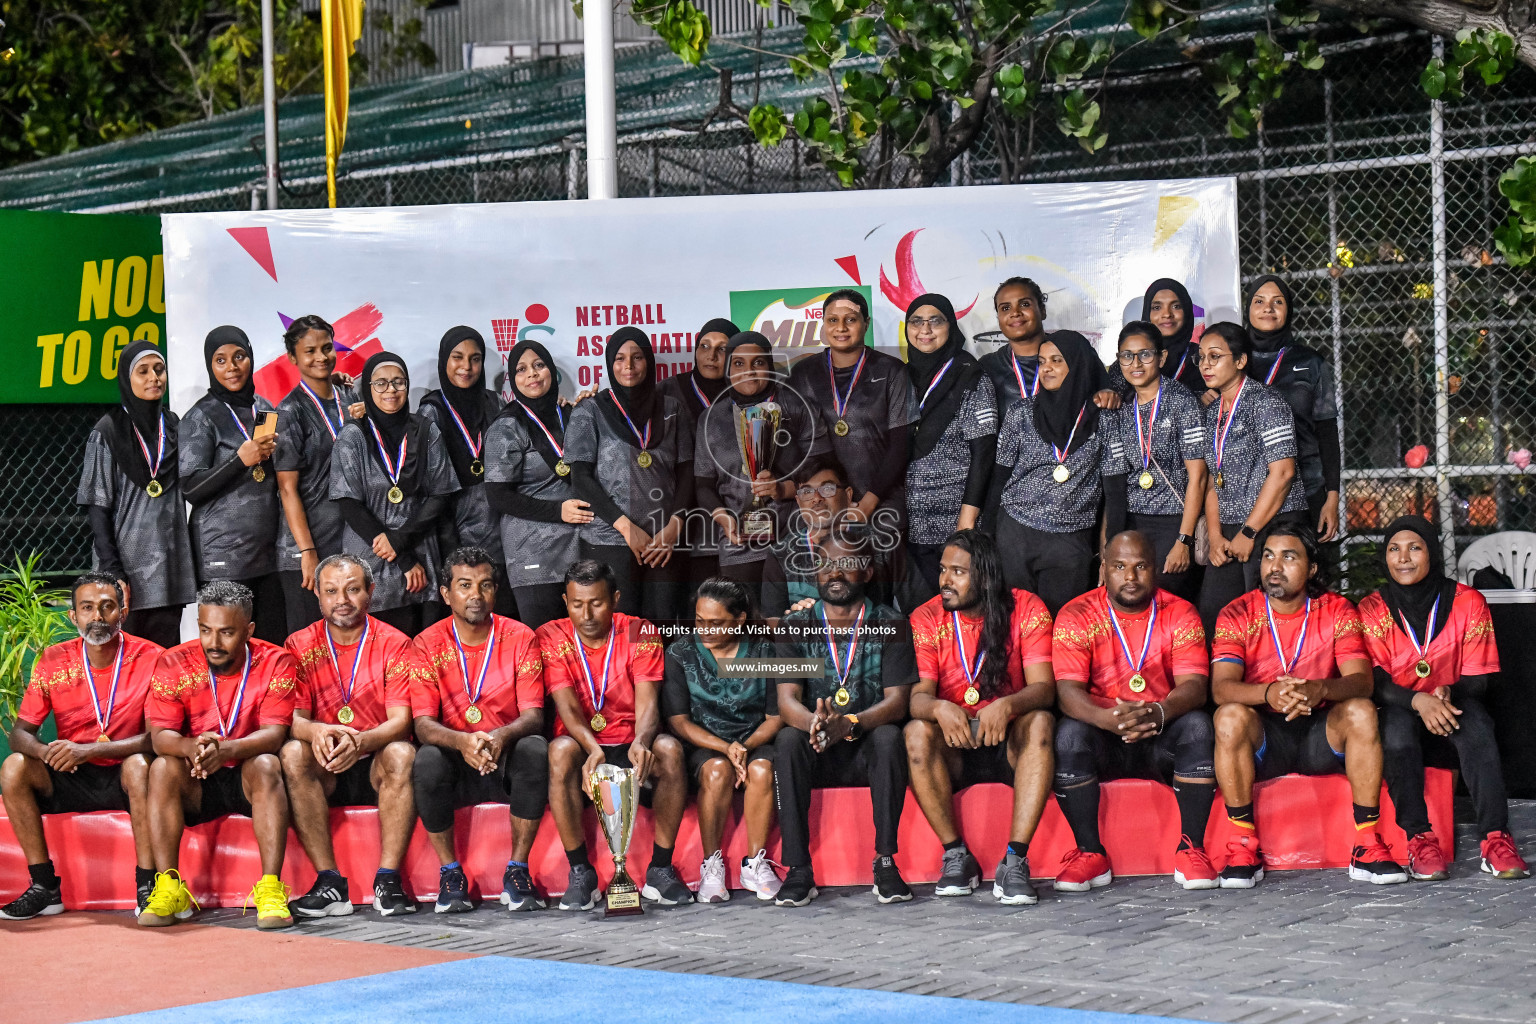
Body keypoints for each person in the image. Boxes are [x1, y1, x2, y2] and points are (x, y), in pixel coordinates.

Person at [1210, 523, 1406, 888]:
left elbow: (1362, 681)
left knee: (1362, 711)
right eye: (1268, 556)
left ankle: (1366, 845)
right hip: (1265, 737)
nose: (1274, 566)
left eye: (1288, 556)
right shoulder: (1237, 613)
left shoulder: (1336, 610)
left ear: (1312, 568)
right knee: (1229, 716)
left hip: (1321, 734)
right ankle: (1242, 846)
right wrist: (1269, 694)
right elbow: (1222, 689)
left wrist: (1319, 690)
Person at [1360, 516, 1529, 881]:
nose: (1403, 558)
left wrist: (1448, 692)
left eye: (1414, 548)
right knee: (1397, 734)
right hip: (1401, 705)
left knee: (1478, 727)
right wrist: (1418, 701)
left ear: (1432, 553)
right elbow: (1373, 678)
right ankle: (1420, 839)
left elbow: (1480, 678)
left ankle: (1495, 838)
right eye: (1394, 549)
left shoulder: (1468, 601)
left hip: (1452, 700)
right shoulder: (1373, 608)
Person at [1050, 531, 1219, 893]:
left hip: (1161, 736)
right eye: (1120, 567)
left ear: (1155, 570)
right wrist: (1107, 719)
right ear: (1104, 569)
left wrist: (1160, 712)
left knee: (1199, 727)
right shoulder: (1077, 613)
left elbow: (1195, 686)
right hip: (1104, 738)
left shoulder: (1180, 612)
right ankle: (1089, 853)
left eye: (1140, 566)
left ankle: (1192, 849)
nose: (1130, 577)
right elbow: (1067, 693)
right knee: (1068, 733)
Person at [903, 530, 1056, 905]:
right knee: (916, 732)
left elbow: (1044, 689)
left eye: (958, 572)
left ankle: (1015, 860)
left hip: (1008, 744)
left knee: (1040, 721)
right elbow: (917, 697)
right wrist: (939, 707)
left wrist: (1007, 705)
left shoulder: (1028, 607)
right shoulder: (925, 617)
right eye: (942, 570)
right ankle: (955, 855)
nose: (945, 581)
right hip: (954, 748)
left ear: (985, 576)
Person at [139, 581, 299, 929]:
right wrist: (192, 746)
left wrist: (227, 749)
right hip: (196, 778)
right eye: (205, 630)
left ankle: (270, 891)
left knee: (268, 763)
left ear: (249, 629)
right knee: (163, 767)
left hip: (247, 776)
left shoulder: (276, 661)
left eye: (226, 632)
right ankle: (168, 885)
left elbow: (275, 734)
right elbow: (160, 737)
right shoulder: (173, 661)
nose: (213, 642)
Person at [0, 574, 161, 920]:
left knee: (141, 765)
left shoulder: (152, 657)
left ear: (123, 611)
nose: (97, 617)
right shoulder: (54, 660)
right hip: (70, 773)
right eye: (87, 608)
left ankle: (148, 885)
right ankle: (44, 887)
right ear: (73, 617)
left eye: (107, 607)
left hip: (125, 774)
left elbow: (156, 738)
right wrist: (46, 753)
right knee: (13, 766)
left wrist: (89, 751)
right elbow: (19, 734)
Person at [772, 527, 916, 907]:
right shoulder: (793, 627)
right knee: (787, 741)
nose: (834, 573)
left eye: (846, 564)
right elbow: (787, 701)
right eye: (825, 564)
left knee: (888, 737)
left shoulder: (892, 622)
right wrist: (815, 725)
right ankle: (798, 869)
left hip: (865, 748)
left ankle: (885, 863)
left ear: (867, 571)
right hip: (816, 748)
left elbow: (898, 702)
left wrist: (850, 724)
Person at [539, 560, 693, 910]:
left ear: (616, 598)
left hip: (629, 739)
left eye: (597, 603)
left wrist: (642, 740)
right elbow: (567, 707)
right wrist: (591, 748)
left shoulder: (640, 630)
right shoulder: (552, 635)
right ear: (565, 602)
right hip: (583, 744)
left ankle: (661, 869)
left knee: (669, 749)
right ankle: (581, 871)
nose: (587, 613)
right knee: (559, 751)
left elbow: (648, 703)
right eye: (577, 604)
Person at [280, 554, 423, 918]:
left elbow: (401, 721)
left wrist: (360, 741)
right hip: (324, 764)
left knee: (403, 753)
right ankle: (330, 884)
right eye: (331, 591)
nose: (341, 599)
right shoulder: (297, 645)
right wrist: (320, 732)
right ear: (319, 596)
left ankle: (388, 881)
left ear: (371, 592)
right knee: (293, 753)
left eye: (352, 589)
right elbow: (293, 720)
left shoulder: (395, 643)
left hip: (375, 759)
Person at [411, 547, 549, 913]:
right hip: (457, 757)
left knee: (535, 747)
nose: (476, 595)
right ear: (446, 594)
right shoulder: (426, 643)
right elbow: (423, 725)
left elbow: (534, 715)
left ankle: (517, 871)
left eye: (485, 585)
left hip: (504, 753)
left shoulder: (520, 637)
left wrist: (499, 738)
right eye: (465, 585)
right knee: (425, 759)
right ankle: (450, 873)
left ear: (496, 590)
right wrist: (463, 742)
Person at [662, 578, 783, 903]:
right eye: (700, 621)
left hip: (755, 740)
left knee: (761, 770)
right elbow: (679, 721)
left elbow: (776, 718)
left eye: (715, 623)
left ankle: (754, 863)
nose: (705, 629)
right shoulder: (680, 652)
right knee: (717, 771)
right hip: (705, 744)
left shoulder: (764, 651)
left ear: (740, 619)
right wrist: (725, 748)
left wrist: (743, 747)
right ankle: (711, 865)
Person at [565, 325, 693, 624]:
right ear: (610, 364)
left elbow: (687, 472)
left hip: (663, 540)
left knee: (662, 627)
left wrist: (675, 525)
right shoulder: (590, 410)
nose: (629, 366)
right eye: (620, 358)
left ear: (648, 361)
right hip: (609, 538)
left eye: (637, 357)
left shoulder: (672, 408)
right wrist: (625, 527)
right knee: (620, 629)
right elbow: (580, 478)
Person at [330, 351, 461, 636]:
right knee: (378, 655)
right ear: (367, 388)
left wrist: (402, 540)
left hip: (421, 557)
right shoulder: (353, 435)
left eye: (398, 382)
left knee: (423, 651)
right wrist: (402, 558)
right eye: (381, 383)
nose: (391, 390)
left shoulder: (427, 431)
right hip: (371, 561)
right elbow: (348, 503)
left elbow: (440, 495)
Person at [985, 330, 1115, 614]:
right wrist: (987, 534)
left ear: (1078, 364)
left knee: (1065, 626)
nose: (1047, 369)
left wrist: (1109, 551)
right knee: (1016, 623)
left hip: (1072, 540)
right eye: (1042, 362)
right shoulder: (1021, 412)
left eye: (1057, 360)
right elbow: (1000, 474)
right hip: (1016, 533)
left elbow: (1114, 489)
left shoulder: (1104, 417)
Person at [76, 340, 196, 648]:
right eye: (142, 371)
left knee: (164, 658)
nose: (153, 378)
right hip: (126, 570)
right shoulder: (108, 430)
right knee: (124, 660)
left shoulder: (173, 425)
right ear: (126, 379)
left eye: (159, 369)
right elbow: (97, 507)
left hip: (169, 569)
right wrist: (113, 571)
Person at [695, 331, 831, 590]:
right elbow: (703, 484)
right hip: (738, 543)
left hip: (795, 538)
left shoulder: (796, 405)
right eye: (739, 363)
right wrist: (722, 516)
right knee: (746, 621)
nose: (749, 371)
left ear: (769, 365)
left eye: (758, 362)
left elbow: (824, 469)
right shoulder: (711, 418)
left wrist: (784, 488)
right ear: (728, 368)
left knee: (796, 619)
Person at [1196, 322, 1309, 630]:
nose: (1206, 364)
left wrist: (1250, 533)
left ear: (1241, 360)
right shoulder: (1213, 412)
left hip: (1271, 524)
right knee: (1214, 617)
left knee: (1264, 621)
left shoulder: (1267, 402)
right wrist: (1216, 537)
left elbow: (1283, 473)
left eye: (1215, 356)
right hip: (1231, 530)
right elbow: (1212, 479)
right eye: (1202, 357)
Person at [788, 290, 913, 566]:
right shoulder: (803, 374)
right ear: (822, 324)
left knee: (883, 595)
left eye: (850, 319)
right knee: (838, 593)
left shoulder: (892, 371)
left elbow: (901, 446)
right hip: (828, 509)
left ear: (866, 323)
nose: (841, 328)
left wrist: (867, 504)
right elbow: (800, 448)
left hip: (883, 506)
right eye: (832, 320)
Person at [178, 326, 285, 642]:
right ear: (210, 367)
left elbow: (271, 472)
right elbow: (190, 488)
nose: (232, 367)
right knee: (226, 648)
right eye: (220, 360)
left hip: (267, 556)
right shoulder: (200, 417)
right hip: (222, 559)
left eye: (239, 357)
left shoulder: (264, 408)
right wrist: (239, 460)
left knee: (270, 646)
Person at [483, 340, 594, 629]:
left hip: (580, 547)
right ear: (514, 380)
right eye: (521, 369)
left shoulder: (572, 415)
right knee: (546, 647)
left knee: (583, 645)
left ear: (552, 372)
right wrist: (557, 512)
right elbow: (498, 496)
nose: (531, 374)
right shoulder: (506, 426)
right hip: (533, 553)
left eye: (539, 365)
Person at [1102, 322, 1208, 602]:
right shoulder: (1119, 406)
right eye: (1127, 355)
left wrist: (1183, 541)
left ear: (1161, 358)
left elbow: (1198, 476)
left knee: (1163, 600)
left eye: (1145, 355)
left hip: (1173, 522)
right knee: (1126, 601)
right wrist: (1108, 548)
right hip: (1131, 522)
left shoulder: (1182, 401)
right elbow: (1113, 485)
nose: (1135, 363)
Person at [902, 294, 997, 600]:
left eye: (936, 320)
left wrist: (966, 522)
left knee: (962, 612)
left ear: (950, 326)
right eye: (916, 321)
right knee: (919, 618)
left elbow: (984, 455)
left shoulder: (971, 376)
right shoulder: (899, 378)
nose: (925, 329)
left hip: (955, 523)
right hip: (908, 526)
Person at [275, 315, 363, 632]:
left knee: (348, 640)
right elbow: (287, 489)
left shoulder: (351, 399)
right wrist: (307, 552)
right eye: (310, 351)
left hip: (349, 541)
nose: (321, 357)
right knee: (307, 644)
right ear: (293, 357)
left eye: (327, 348)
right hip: (306, 547)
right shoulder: (287, 412)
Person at [1244, 276, 1342, 548]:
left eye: (1278, 302)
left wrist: (1331, 498)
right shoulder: (1234, 361)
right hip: (1244, 492)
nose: (1268, 308)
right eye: (1259, 301)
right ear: (1248, 309)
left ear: (1289, 311)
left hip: (1305, 487)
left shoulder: (1309, 361)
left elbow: (1327, 432)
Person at [419, 326, 510, 617]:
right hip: (453, 527)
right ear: (444, 360)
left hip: (500, 528)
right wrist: (451, 545)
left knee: (503, 617)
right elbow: (433, 487)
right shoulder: (431, 411)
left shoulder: (495, 403)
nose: (466, 367)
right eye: (457, 357)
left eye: (475, 359)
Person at [658, 318, 738, 593]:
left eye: (722, 349)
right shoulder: (666, 391)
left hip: (735, 519)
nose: (711, 356)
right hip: (682, 522)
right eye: (704, 346)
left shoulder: (747, 392)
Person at [760, 460, 886, 622]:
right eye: (807, 492)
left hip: (875, 642)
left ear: (848, 495)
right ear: (798, 502)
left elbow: (917, 608)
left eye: (827, 489)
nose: (817, 498)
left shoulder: (880, 543)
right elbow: (772, 620)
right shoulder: (781, 553)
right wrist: (794, 622)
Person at [978, 277, 1118, 411]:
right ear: (998, 318)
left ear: (1042, 311)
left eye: (1025, 304)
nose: (1015, 312)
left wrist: (1108, 394)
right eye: (1005, 308)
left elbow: (1106, 393)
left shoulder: (1073, 351)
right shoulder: (988, 366)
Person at [1132, 279, 1206, 393]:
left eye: (1176, 306)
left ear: (1186, 311)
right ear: (1147, 313)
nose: (1167, 314)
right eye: (1157, 307)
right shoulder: (1131, 360)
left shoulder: (1204, 358)